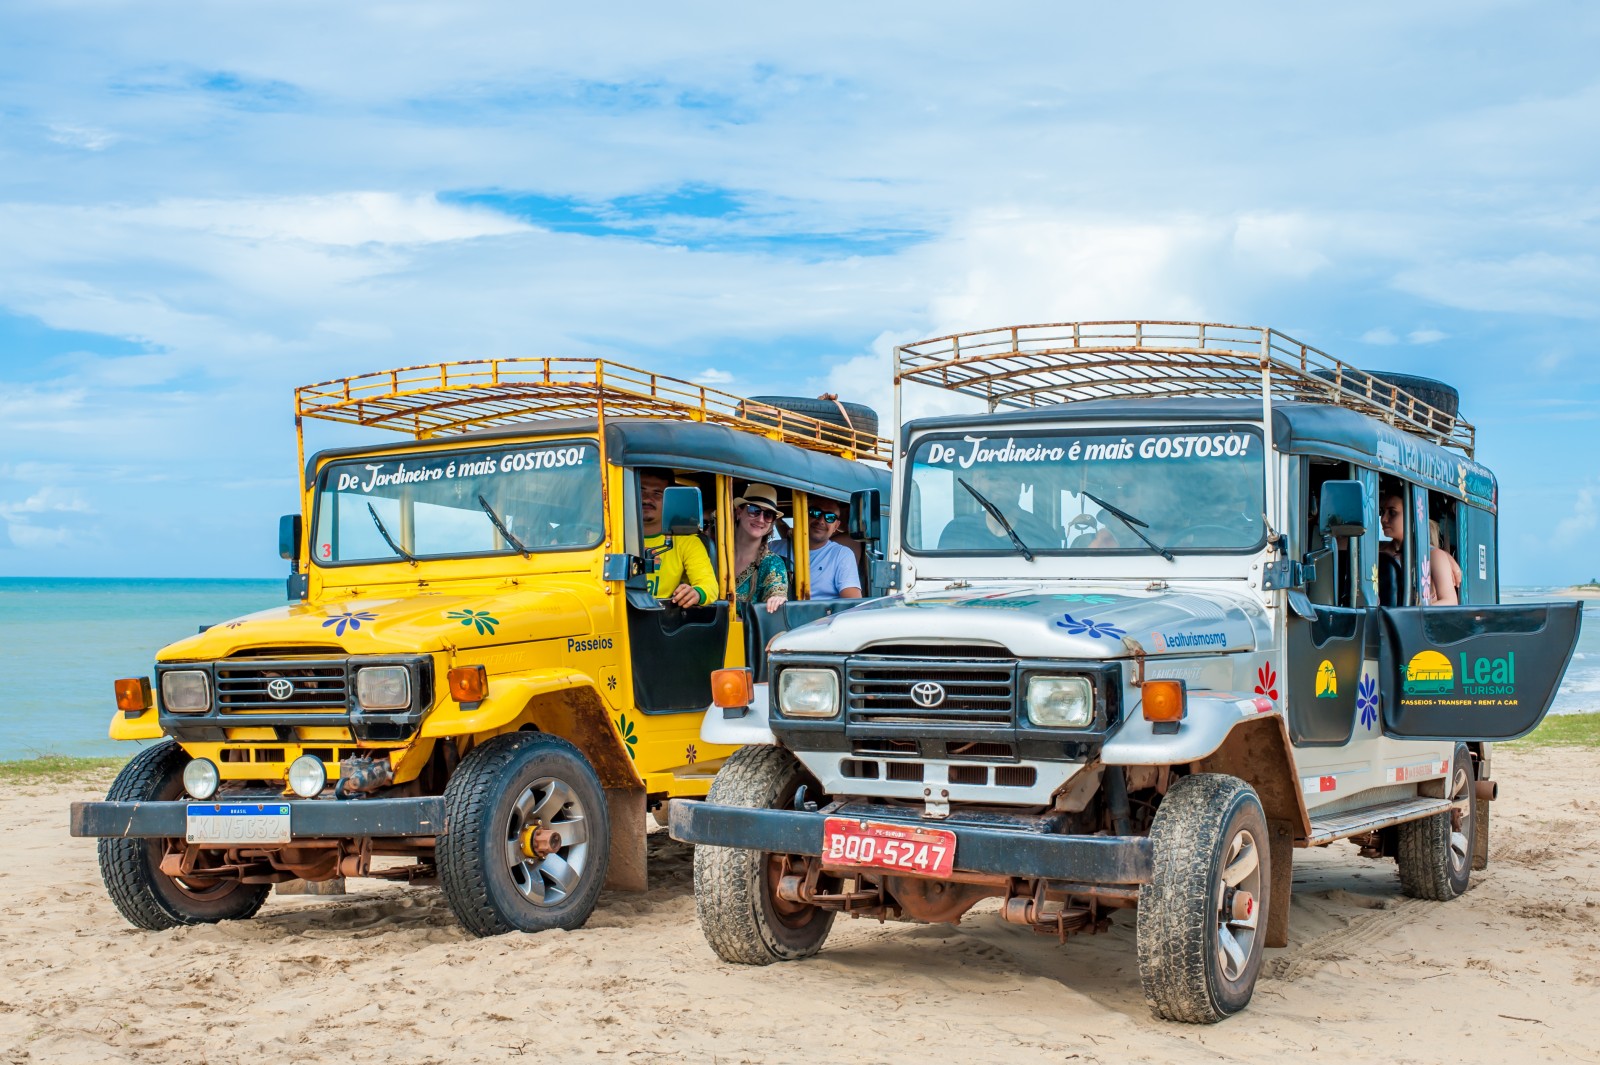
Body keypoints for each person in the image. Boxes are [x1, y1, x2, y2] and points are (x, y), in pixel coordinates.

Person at [639, 468, 716, 607]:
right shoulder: (612, 537)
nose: (646, 499)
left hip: (660, 621)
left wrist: (696, 593)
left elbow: (709, 586)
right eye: (641, 491)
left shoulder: (687, 540)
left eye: (657, 493)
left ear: (670, 501)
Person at [1379, 490, 1459, 606]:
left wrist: (1414, 613)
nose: (1383, 519)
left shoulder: (1434, 555)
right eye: (1382, 512)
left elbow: (1450, 601)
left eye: (1392, 512)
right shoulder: (1379, 551)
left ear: (1412, 515)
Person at [775, 497, 862, 600]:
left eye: (830, 517)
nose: (821, 520)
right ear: (803, 514)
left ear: (836, 526)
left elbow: (852, 604)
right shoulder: (774, 548)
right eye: (815, 513)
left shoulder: (842, 555)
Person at [731, 482, 788, 614]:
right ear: (739, 512)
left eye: (768, 515)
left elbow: (776, 592)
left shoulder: (772, 563)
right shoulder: (714, 554)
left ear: (772, 522)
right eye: (754, 510)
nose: (760, 519)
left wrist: (777, 599)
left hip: (744, 634)